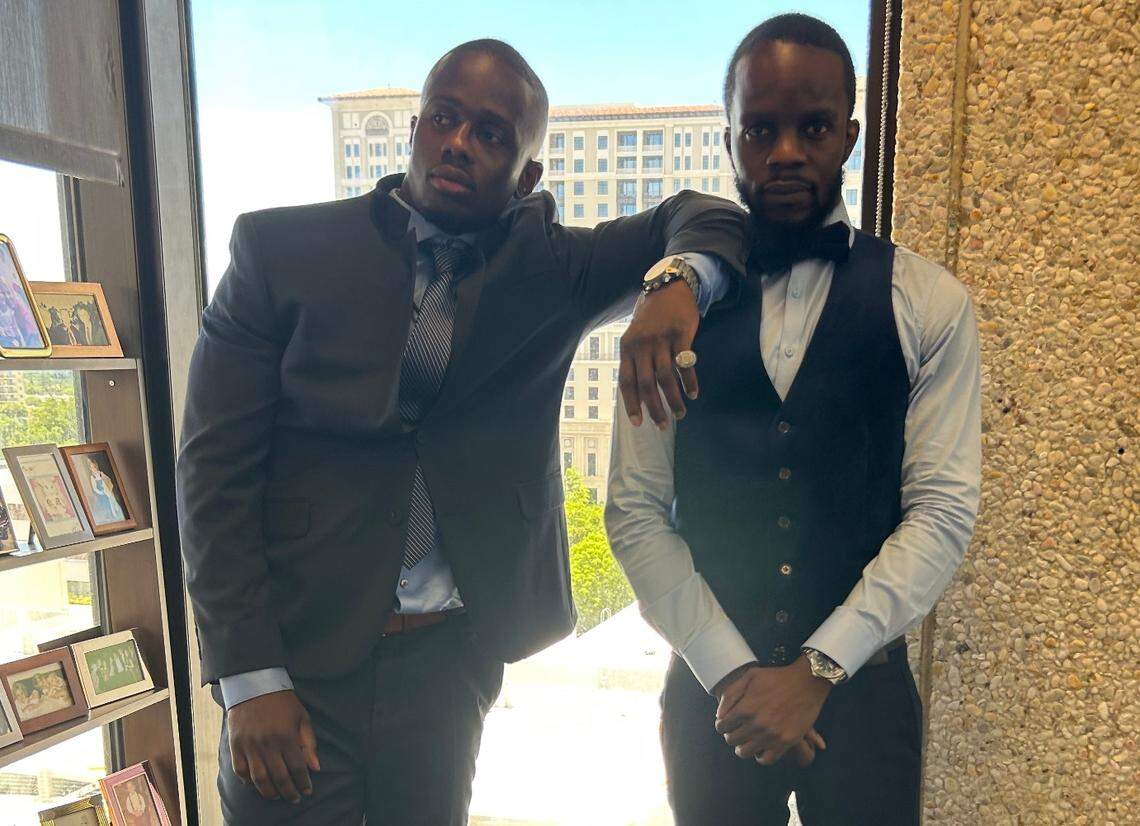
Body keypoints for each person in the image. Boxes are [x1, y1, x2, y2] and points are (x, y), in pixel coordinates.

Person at [176, 39, 746, 825]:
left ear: (528, 175)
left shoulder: (554, 267)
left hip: (447, 663)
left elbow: (708, 214)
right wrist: (249, 679)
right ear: (414, 129)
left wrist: (674, 283)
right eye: (444, 118)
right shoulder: (281, 252)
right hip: (296, 656)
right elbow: (212, 473)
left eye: (491, 133)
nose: (458, 143)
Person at [605, 14, 982, 826]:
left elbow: (942, 511)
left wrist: (816, 670)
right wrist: (733, 671)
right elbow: (635, 511)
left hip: (866, 695)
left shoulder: (929, 301)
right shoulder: (673, 311)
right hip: (714, 699)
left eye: (812, 127)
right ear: (731, 139)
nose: (784, 151)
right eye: (760, 129)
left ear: (849, 136)